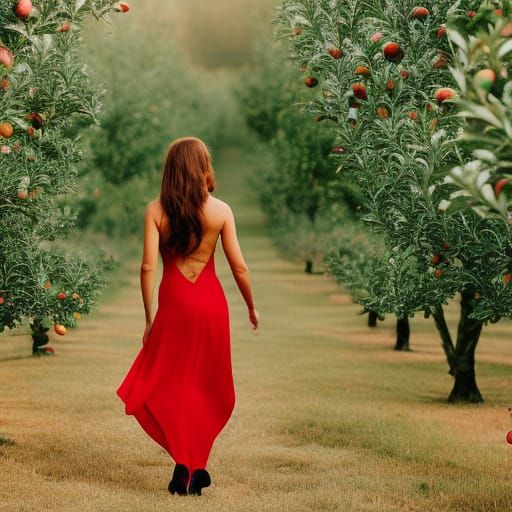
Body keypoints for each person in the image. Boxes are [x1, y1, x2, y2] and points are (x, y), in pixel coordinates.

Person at [116, 136, 259, 496]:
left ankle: (184, 462)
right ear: (203, 167)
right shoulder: (221, 211)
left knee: (168, 381)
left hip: (174, 303)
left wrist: (150, 318)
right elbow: (239, 268)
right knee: (206, 384)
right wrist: (251, 306)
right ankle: (195, 466)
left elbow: (149, 265)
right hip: (210, 305)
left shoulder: (155, 211)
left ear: (171, 170)